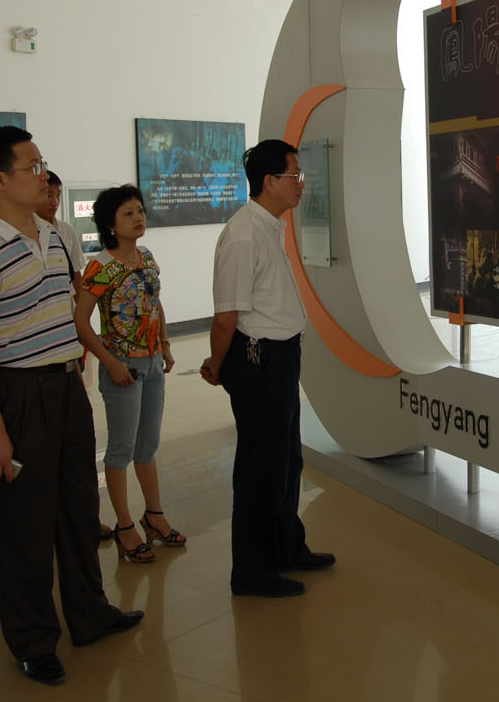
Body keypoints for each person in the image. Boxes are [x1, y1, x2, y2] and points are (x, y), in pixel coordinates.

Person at [0, 126, 142, 686]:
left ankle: (90, 613)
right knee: (24, 526)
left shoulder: (55, 238)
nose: (43, 176)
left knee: (78, 508)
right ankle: (33, 640)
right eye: (32, 167)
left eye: (43, 165)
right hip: (18, 391)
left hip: (65, 386)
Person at [200, 140, 334, 598]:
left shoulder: (270, 227)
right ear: (270, 181)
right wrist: (217, 364)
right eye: (295, 175)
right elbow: (226, 316)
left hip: (280, 359)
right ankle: (252, 571)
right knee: (262, 468)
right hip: (258, 361)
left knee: (287, 460)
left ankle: (286, 547)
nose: (301, 184)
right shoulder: (242, 235)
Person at [73, 185, 182, 564]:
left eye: (140, 211)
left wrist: (164, 343)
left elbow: (154, 302)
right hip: (123, 367)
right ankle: (124, 525)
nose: (138, 218)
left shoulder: (146, 257)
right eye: (128, 213)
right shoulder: (101, 266)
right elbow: (80, 321)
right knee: (121, 449)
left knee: (147, 445)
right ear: (109, 224)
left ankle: (154, 514)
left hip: (152, 363)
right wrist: (109, 362)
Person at [37, 170, 85, 274]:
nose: (55, 202)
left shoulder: (67, 230)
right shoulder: (26, 230)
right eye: (49, 195)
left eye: (58, 195)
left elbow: (76, 273)